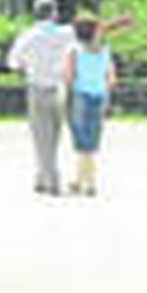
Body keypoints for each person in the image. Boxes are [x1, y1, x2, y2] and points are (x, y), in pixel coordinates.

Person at [6, 0, 74, 196]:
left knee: (40, 136)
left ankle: (49, 178)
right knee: (54, 136)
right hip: (59, 88)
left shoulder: (28, 35)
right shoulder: (66, 33)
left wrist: (27, 64)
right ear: (54, 13)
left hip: (36, 87)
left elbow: (13, 62)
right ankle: (44, 175)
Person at [61, 12, 114, 196]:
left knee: (82, 143)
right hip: (100, 96)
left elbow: (68, 76)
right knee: (91, 140)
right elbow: (111, 77)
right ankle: (79, 180)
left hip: (80, 96)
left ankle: (90, 183)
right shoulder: (105, 52)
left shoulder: (74, 51)